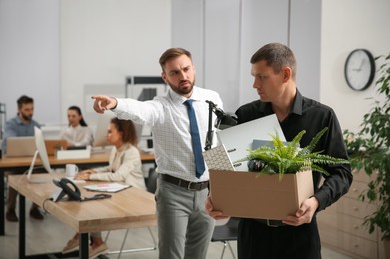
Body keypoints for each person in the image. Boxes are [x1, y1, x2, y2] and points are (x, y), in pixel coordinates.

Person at [206, 43, 353, 259]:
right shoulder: (245, 114)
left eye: (262, 77)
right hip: (253, 237)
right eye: (253, 76)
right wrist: (216, 198)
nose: (255, 84)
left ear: (285, 74)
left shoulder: (322, 117)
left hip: (301, 236)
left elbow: (342, 173)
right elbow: (226, 168)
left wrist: (316, 201)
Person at [91, 47, 223, 259]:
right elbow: (140, 110)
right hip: (174, 193)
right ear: (165, 77)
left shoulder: (212, 99)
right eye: (175, 73)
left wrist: (223, 188)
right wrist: (115, 103)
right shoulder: (160, 107)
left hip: (207, 192)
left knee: (198, 256)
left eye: (186, 69)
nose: (183, 76)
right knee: (171, 256)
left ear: (193, 67)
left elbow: (215, 142)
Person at [62, 117, 146, 258]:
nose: (106, 135)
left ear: (121, 133)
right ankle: (96, 242)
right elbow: (111, 168)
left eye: (109, 132)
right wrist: (93, 171)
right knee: (91, 201)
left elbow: (117, 175)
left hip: (135, 196)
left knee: (96, 205)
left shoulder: (132, 152)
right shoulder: (116, 149)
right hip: (121, 190)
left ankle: (89, 239)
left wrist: (90, 177)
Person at [1, 95, 45, 221]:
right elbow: (10, 140)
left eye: (32, 109)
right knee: (15, 177)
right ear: (19, 109)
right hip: (12, 164)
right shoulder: (11, 124)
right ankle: (10, 210)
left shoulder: (36, 125)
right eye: (27, 110)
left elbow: (39, 145)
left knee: (43, 172)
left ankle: (35, 208)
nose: (30, 112)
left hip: (31, 162)